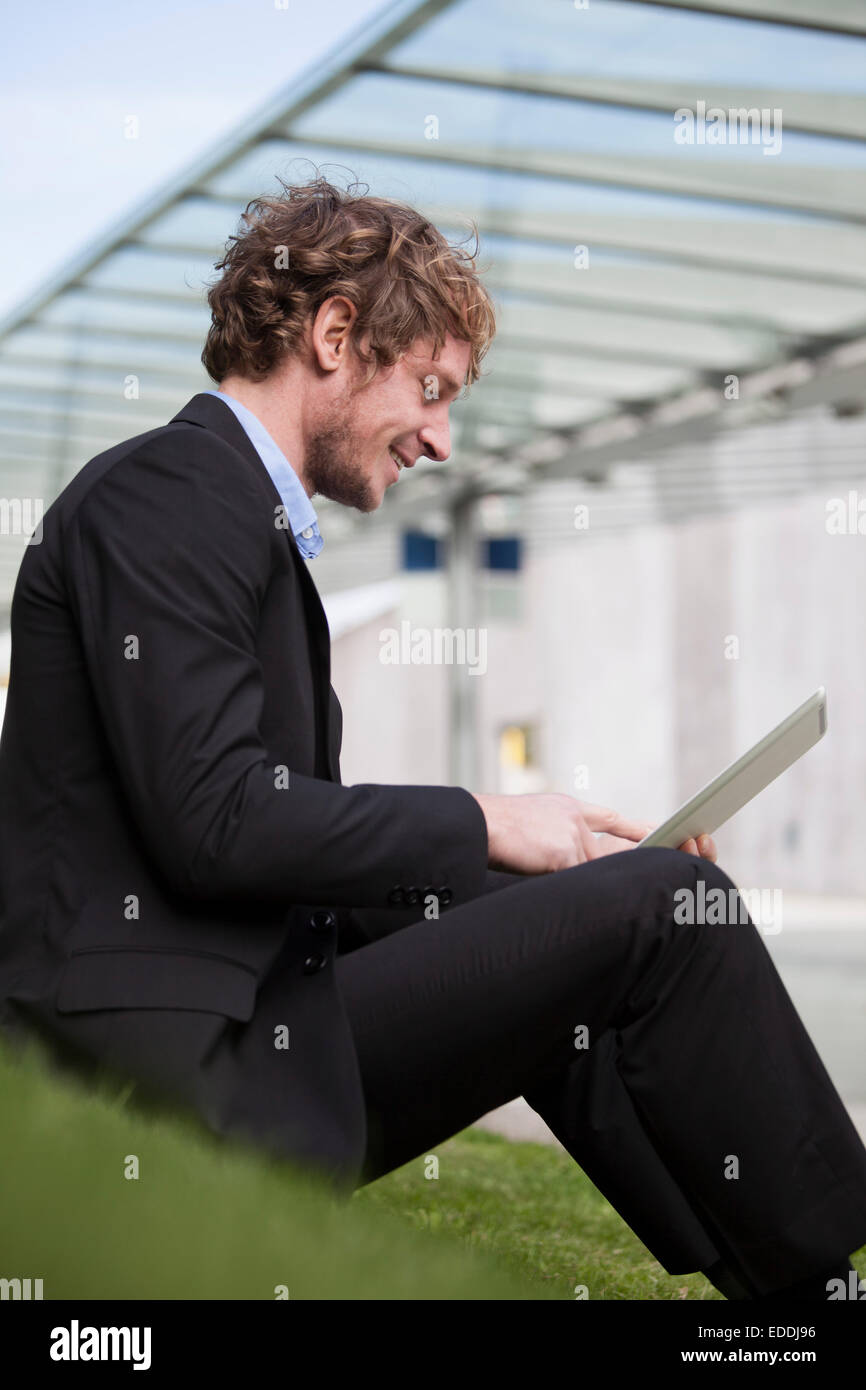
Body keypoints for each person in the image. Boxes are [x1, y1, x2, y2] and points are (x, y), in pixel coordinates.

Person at [0, 175, 864, 1303]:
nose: (443, 441)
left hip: (231, 1034)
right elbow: (218, 823)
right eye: (432, 389)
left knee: (632, 906)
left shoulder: (230, 518)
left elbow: (277, 852)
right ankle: (823, 1283)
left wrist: (539, 877)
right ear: (334, 333)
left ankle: (790, 1292)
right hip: (163, 1084)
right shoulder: (171, 489)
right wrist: (492, 822)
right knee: (663, 911)